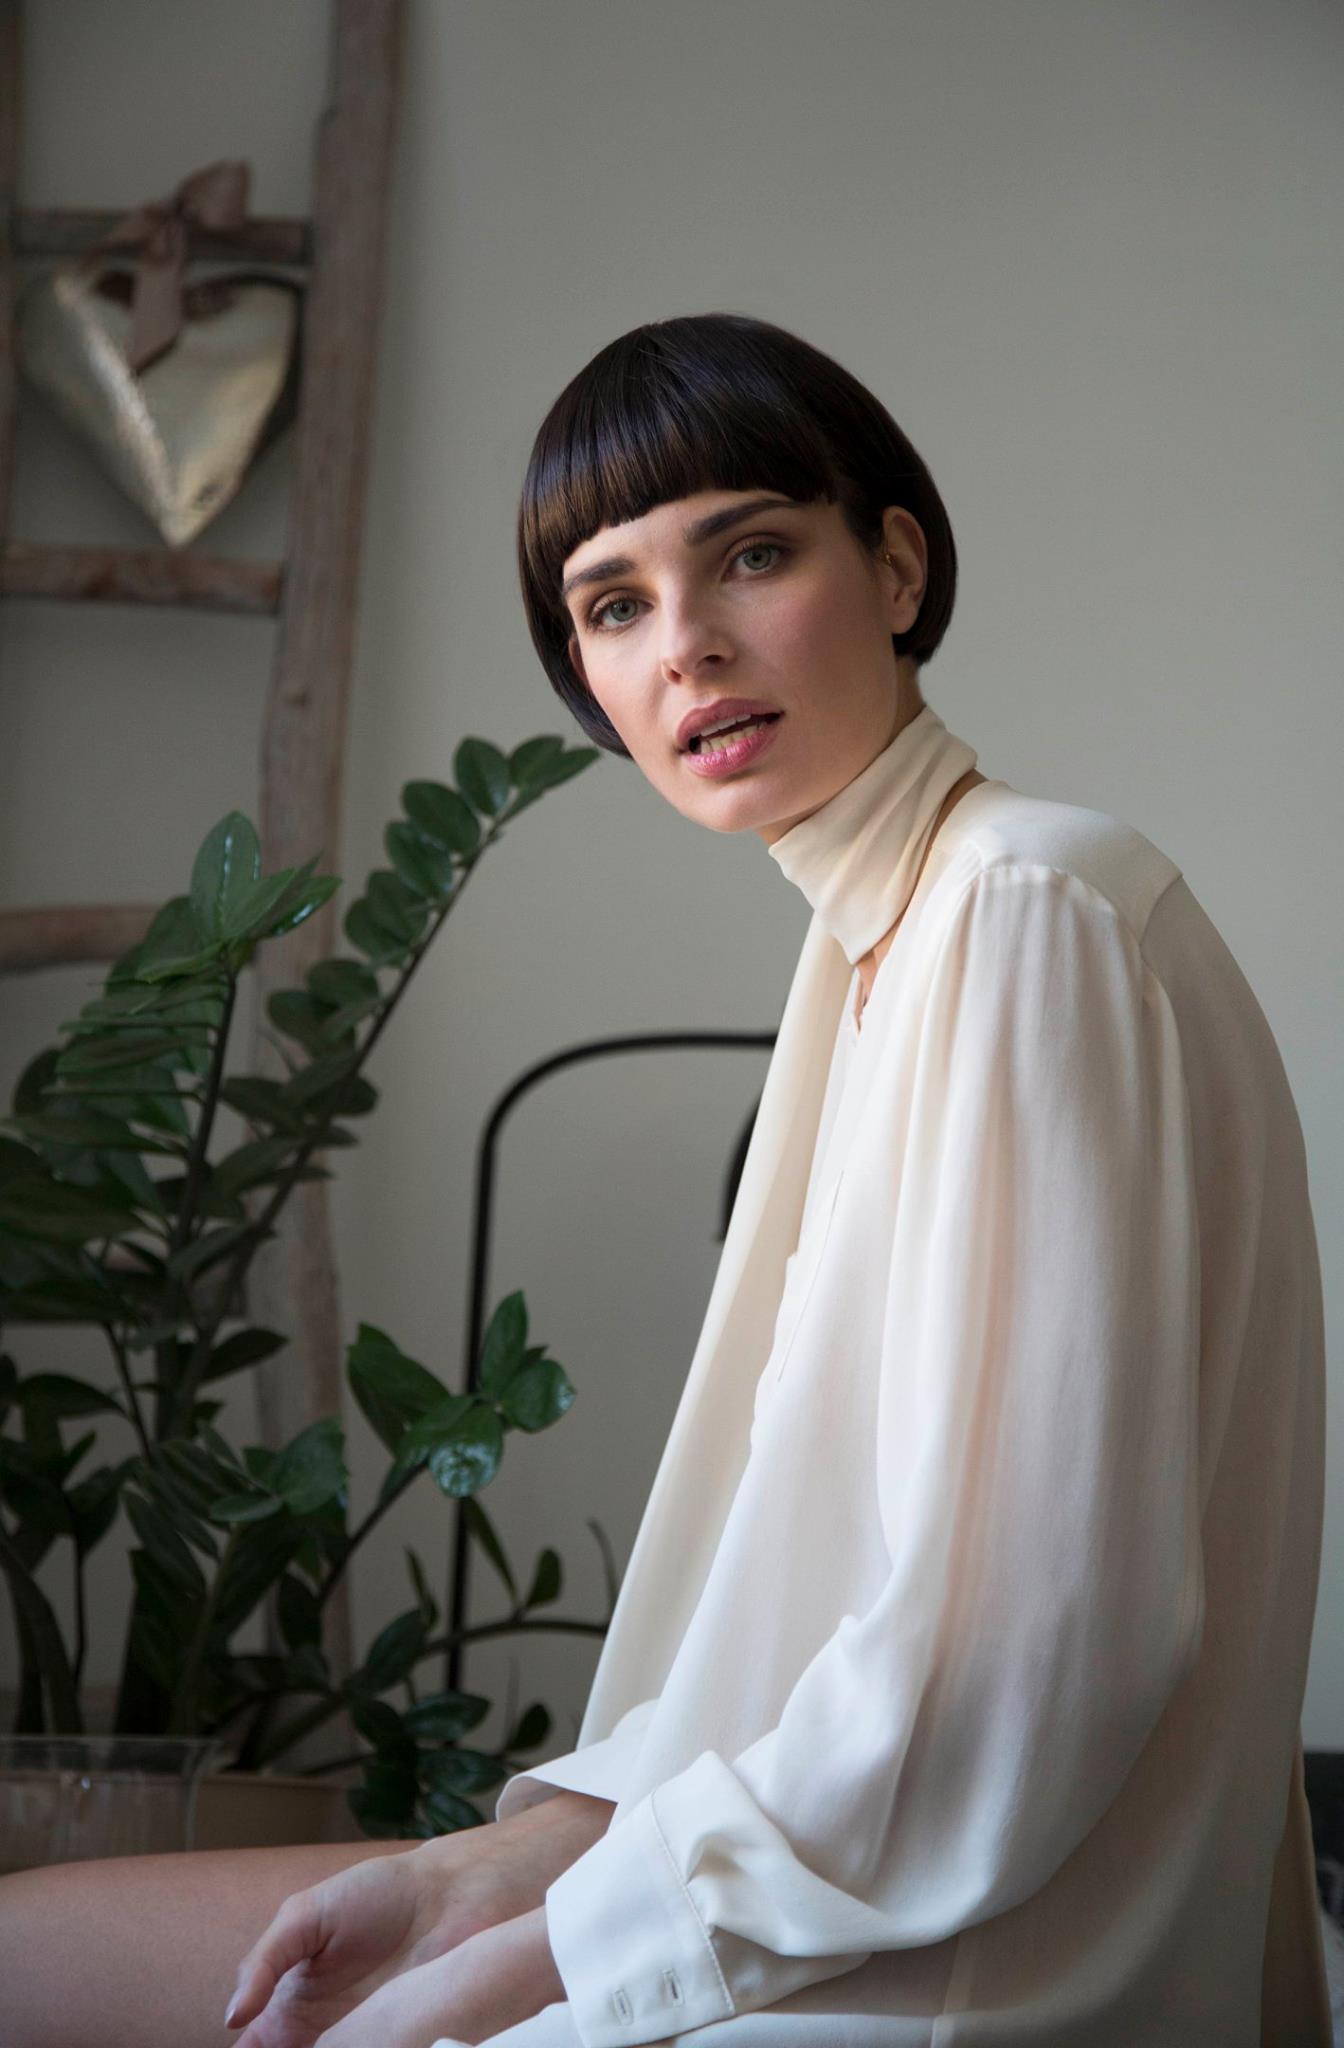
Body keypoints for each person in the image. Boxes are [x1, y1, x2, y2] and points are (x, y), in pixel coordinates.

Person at [0, 313, 1328, 2048]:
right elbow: (807, 1660)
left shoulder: (1022, 909)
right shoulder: (886, 941)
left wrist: (534, 1958)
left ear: (898, 565)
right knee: (32, 1952)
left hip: (955, 1980)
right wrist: (481, 1877)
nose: (685, 645)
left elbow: (1027, 1657)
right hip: (830, 1905)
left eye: (751, 554)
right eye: (613, 605)